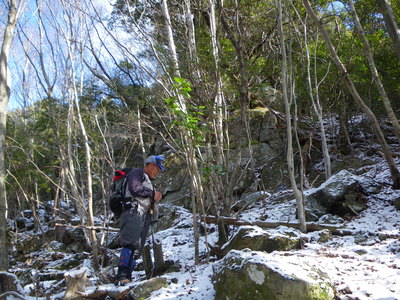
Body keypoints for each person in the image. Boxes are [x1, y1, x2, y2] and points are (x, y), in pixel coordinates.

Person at [115, 155, 165, 284]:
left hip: (144, 214)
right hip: (133, 210)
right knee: (130, 243)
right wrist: (153, 194)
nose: (158, 172)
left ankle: (128, 277)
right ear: (150, 165)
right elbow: (134, 188)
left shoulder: (149, 181)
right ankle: (122, 275)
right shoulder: (137, 173)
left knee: (137, 249)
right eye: (157, 169)